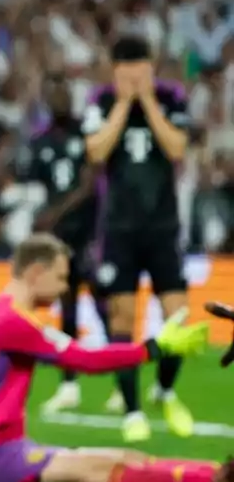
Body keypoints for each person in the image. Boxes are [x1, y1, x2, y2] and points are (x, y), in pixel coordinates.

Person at [0, 233, 228, 482]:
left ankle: (216, 470)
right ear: (35, 273)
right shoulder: (10, 321)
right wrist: (153, 348)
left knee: (125, 457)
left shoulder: (3, 315)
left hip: (2, 451)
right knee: (100, 470)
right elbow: (85, 360)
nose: (65, 287)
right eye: (60, 277)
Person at [82, 36, 193, 441]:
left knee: (179, 315)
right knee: (122, 318)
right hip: (119, 230)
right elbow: (96, 152)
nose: (134, 74)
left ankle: (164, 389)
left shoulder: (171, 97)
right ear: (115, 70)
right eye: (126, 67)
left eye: (141, 65)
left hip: (163, 228)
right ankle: (132, 412)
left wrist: (146, 102)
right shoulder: (102, 101)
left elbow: (177, 146)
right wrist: (126, 104)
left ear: (152, 65)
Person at [22, 71, 105, 414]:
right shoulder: (40, 143)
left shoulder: (85, 134)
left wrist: (53, 213)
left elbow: (89, 184)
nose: (61, 99)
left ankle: (121, 382)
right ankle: (69, 385)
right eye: (54, 94)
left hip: (90, 232)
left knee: (106, 303)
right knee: (67, 307)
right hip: (60, 237)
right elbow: (36, 188)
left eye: (65, 93)